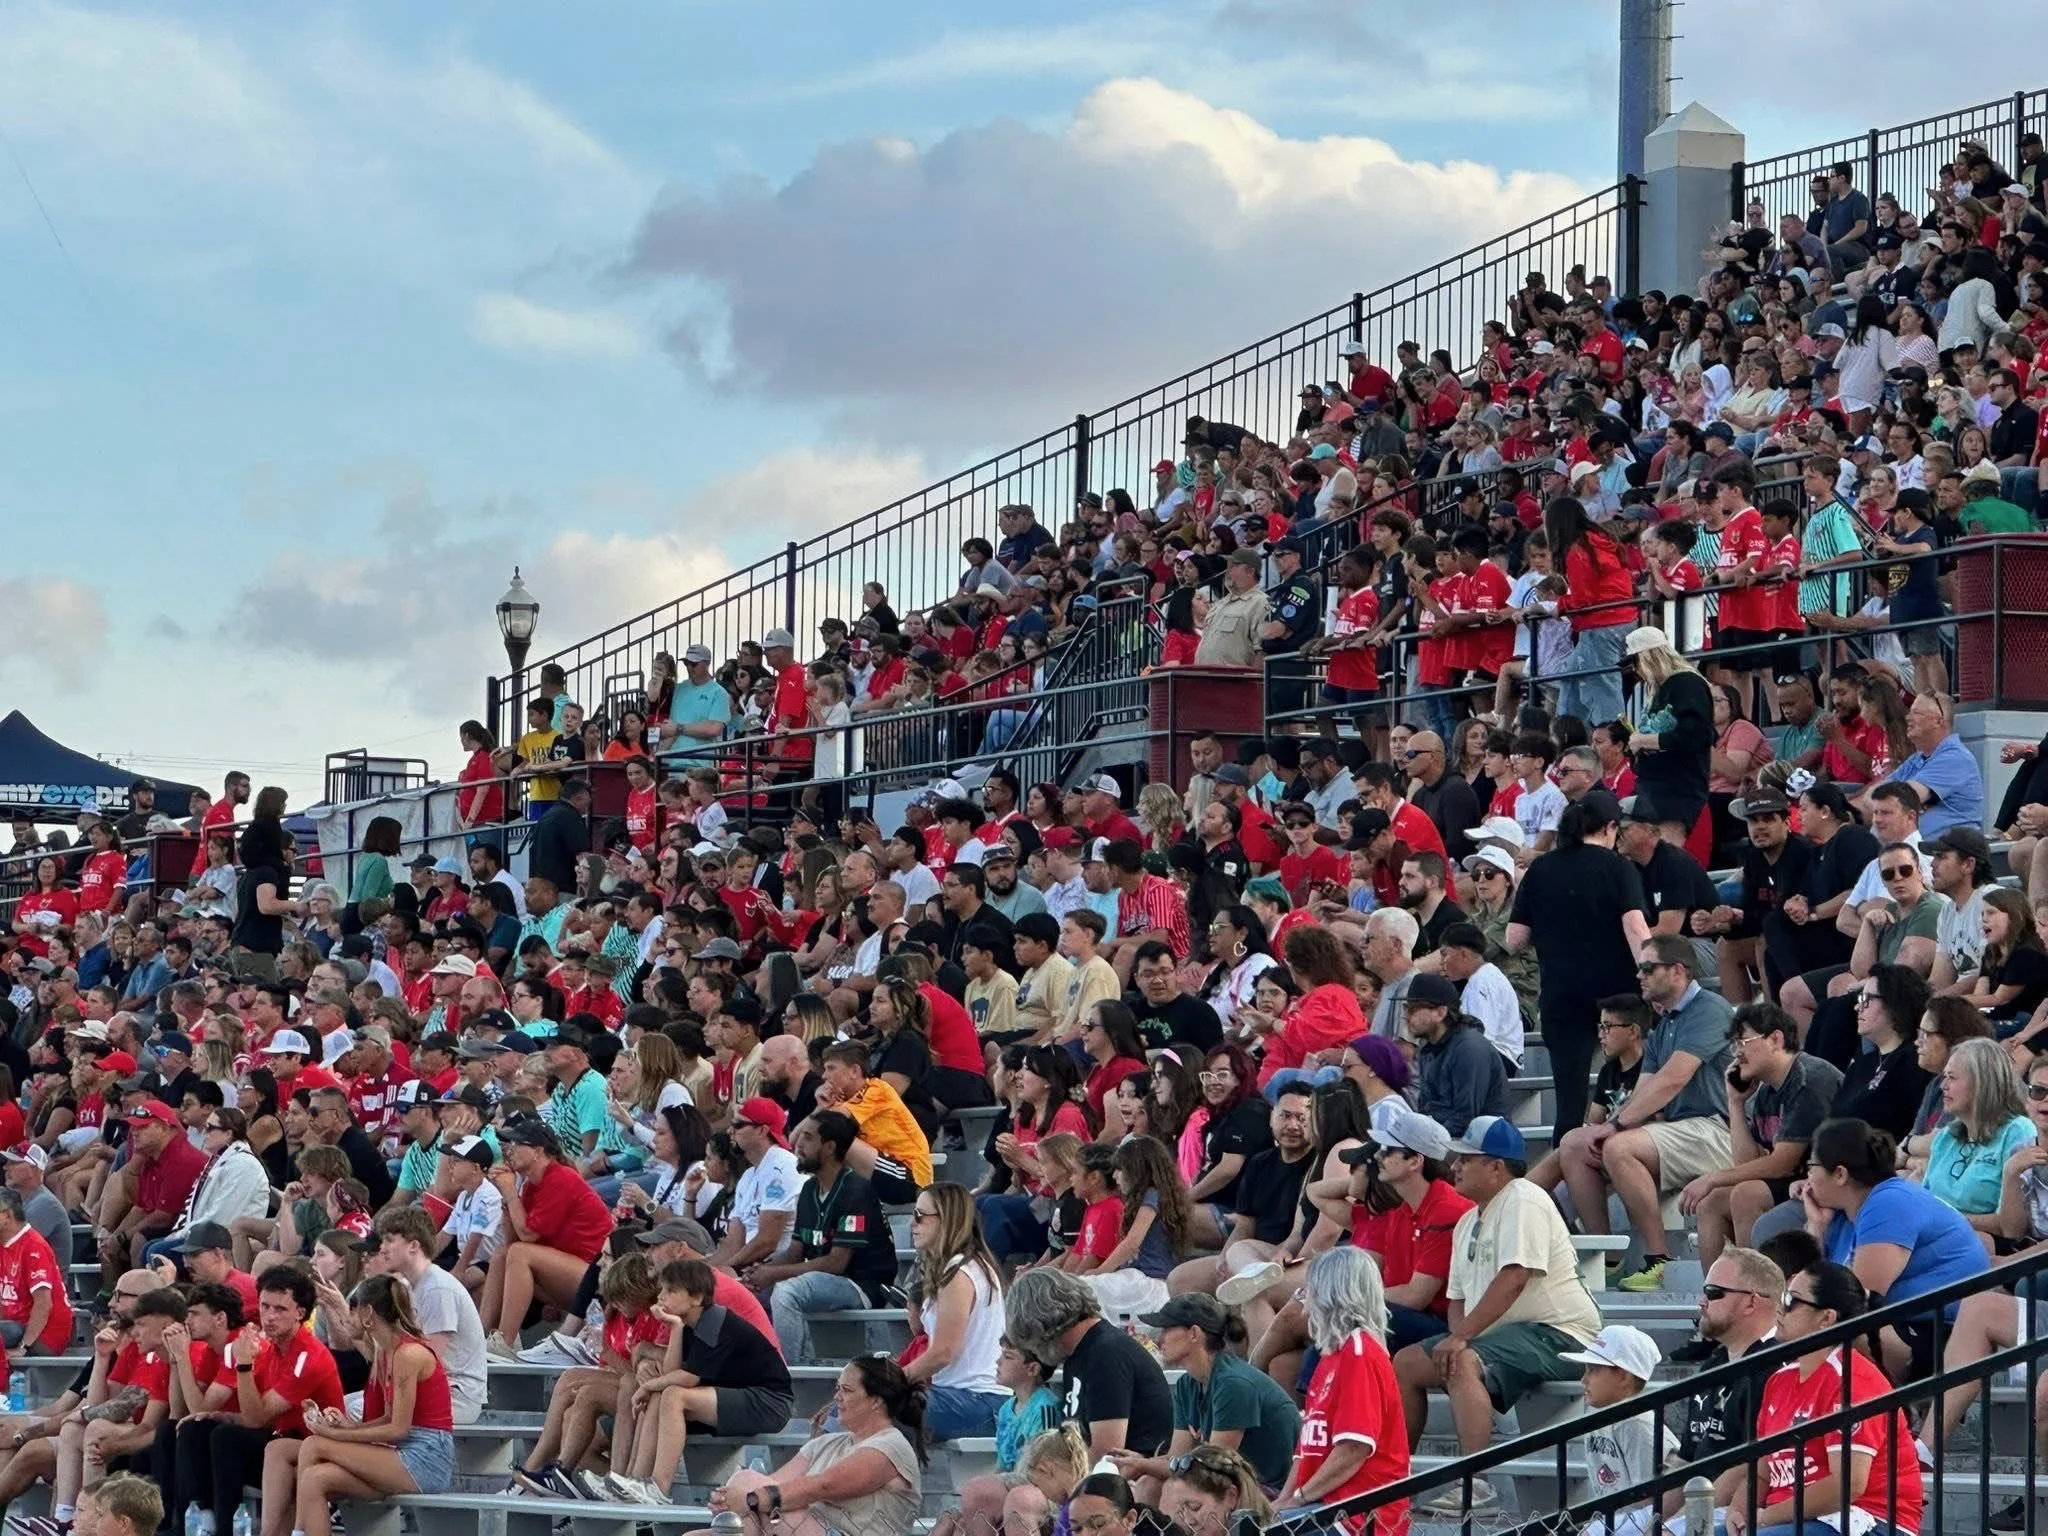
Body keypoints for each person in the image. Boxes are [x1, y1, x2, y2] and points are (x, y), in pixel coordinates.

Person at [1393, 1117, 1601, 1515]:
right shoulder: (1467, 1220)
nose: (1454, 1166)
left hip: (1562, 1332)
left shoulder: (1523, 1197)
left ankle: (1478, 1485)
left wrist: (1461, 1340)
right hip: (1510, 1336)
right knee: (1406, 1363)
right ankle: (1395, 1480)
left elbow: (1515, 1276)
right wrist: (1459, 1336)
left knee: (1463, 1360)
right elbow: (1456, 1299)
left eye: (1466, 1159)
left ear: (1496, 1166)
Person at [1559, 934, 1734, 1292]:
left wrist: (1616, 1128)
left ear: (1678, 971)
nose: (1639, 975)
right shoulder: (1664, 1024)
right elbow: (1644, 1091)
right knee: (1575, 1143)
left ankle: (1658, 1260)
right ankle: (1608, 1256)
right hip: (1680, 1130)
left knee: (1618, 1146)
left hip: (1720, 1131)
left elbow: (1673, 1079)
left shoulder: (1710, 1009)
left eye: (1648, 968)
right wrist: (1611, 1126)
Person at [1723, 1261, 1922, 1536]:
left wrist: (1766, 1518)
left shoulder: (1853, 1381)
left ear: (1826, 1318)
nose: (1780, 1308)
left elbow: (1847, 1485)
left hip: (1868, 1520)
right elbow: (1761, 1473)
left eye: (1791, 1301)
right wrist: (1739, 1512)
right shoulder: (1779, 1381)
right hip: (1792, 1519)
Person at [1507, 794, 1651, 1134]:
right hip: (1619, 996)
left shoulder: (1542, 868)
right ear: (1611, 827)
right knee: (1636, 1090)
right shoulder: (1619, 867)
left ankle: (1565, 1160)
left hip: (1561, 995)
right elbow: (1635, 927)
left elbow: (1515, 938)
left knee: (1568, 1104)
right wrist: (1651, 974)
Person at [275, 1273, 458, 1536]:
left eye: (352, 1311)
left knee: (315, 1444)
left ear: (368, 1313)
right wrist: (346, 1427)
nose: (347, 1319)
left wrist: (333, 1435)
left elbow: (398, 1429)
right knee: (315, 1479)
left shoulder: (408, 1354)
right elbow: (387, 1418)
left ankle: (297, 1532)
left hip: (425, 1458)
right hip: (398, 1453)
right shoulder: (385, 1353)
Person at [1803, 1117, 1987, 1379]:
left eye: (1812, 1166)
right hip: (1901, 1325)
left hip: (1942, 1334)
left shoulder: (1889, 1202)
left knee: (1831, 1326)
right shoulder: (1841, 1215)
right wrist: (1817, 1226)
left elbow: (1855, 1302)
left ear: (1840, 1174)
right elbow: (1806, 1285)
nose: (1808, 1177)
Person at [172, 1263, 345, 1536]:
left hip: (309, 1446)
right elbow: (254, 1416)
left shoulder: (307, 1355)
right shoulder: (273, 1348)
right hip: (279, 1438)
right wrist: (226, 1415)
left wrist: (243, 1366)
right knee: (196, 1428)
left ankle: (227, 1529)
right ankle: (200, 1519)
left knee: (226, 1438)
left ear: (300, 1313)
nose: (269, 1317)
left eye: (280, 1309)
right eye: (265, 1307)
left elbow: (257, 1418)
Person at [1683, 1003, 1842, 1270]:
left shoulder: (1809, 1079)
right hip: (1796, 1182)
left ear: (1775, 1039)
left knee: (1746, 1194)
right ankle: (1717, 1291)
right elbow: (1747, 1164)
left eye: (1743, 1042)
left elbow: (1782, 1163)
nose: (1737, 1053)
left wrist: (1712, 1178)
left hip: (1830, 1181)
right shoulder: (1767, 1091)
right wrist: (1735, 1103)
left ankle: (1754, 1288)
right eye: (1734, 1045)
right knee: (1711, 1202)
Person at [1108, 1293, 1300, 1499]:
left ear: (1194, 1333)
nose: (1159, 1338)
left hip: (1269, 1494)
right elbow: (1176, 1458)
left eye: (1167, 1329)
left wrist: (1143, 1465)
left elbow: (1212, 1468)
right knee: (1151, 1482)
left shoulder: (1233, 1384)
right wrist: (1140, 1462)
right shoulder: (1186, 1385)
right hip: (1229, 1484)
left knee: (1165, 1486)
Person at [1275, 1246, 1411, 1527]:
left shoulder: (1359, 1353)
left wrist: (1298, 1499)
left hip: (1359, 1517)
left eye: (1308, 1292)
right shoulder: (1331, 1355)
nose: (1305, 1304)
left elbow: (1353, 1448)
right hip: (1326, 1506)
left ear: (1330, 1295)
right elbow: (1306, 1450)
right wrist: (1282, 1502)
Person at [745, 1110, 893, 1367]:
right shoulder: (808, 1189)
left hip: (861, 1284)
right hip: (820, 1280)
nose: (798, 1144)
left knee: (786, 1292)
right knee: (747, 1294)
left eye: (808, 1137)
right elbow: (794, 1252)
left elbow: (836, 1263)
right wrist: (761, 1272)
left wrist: (775, 1274)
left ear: (829, 1147)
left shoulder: (856, 1190)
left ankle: (794, 1373)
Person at [1005, 1267, 1173, 1458]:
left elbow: (1106, 1452)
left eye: (1032, 1343)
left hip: (1130, 1471)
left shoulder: (1106, 1354)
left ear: (1041, 1326)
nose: (1034, 1352)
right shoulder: (1077, 1355)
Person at [1560, 1325, 1676, 1536]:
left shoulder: (1637, 1424)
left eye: (1593, 1370)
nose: (1583, 1380)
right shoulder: (1595, 1417)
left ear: (1623, 1377)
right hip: (1616, 1521)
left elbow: (1650, 1503)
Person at [1921, 1037, 2034, 1236]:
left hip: (1986, 1244)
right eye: (1944, 1077)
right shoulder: (1946, 1136)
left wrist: (1948, 1219)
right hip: (1935, 1234)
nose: (1943, 1086)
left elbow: (2011, 1227)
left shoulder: (2018, 1131)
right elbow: (1926, 1200)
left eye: (1952, 1077)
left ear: (1982, 1083)